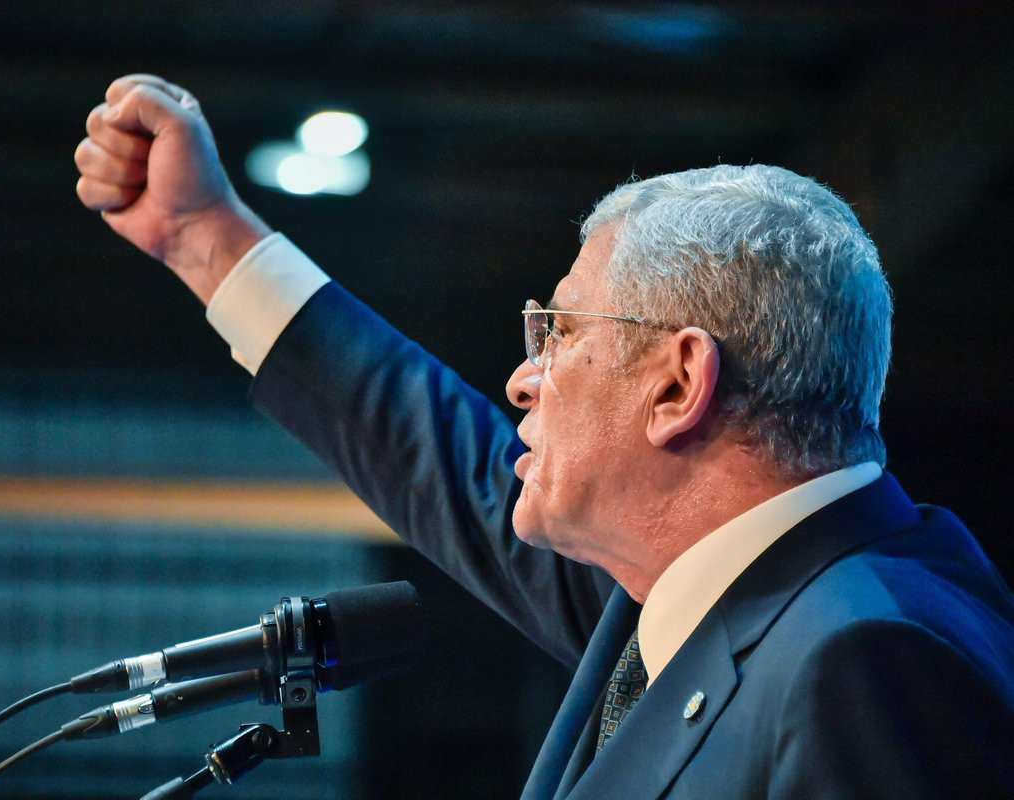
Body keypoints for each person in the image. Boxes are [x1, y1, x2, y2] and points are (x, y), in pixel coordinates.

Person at [74, 74, 1014, 798]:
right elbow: (448, 464)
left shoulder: (868, 656)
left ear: (677, 384)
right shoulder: (714, 596)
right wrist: (203, 236)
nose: (523, 377)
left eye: (557, 332)